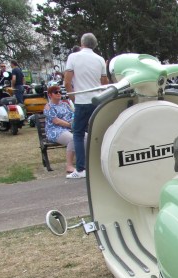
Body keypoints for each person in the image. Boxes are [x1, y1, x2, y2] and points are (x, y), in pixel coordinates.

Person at [64, 32, 108, 179]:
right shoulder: (100, 59)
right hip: (97, 100)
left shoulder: (73, 57)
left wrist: (73, 97)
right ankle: (102, 164)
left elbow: (67, 81)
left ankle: (81, 168)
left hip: (82, 100)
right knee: (99, 132)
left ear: (82, 43)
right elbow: (104, 82)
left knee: (78, 133)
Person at [43, 85, 77, 173]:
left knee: (86, 137)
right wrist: (71, 125)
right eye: (56, 92)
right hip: (55, 130)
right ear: (50, 95)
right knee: (73, 139)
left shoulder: (65, 104)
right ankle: (69, 166)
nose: (59, 93)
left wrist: (74, 123)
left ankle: (84, 162)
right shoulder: (48, 107)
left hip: (69, 129)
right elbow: (56, 121)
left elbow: (73, 115)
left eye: (60, 92)